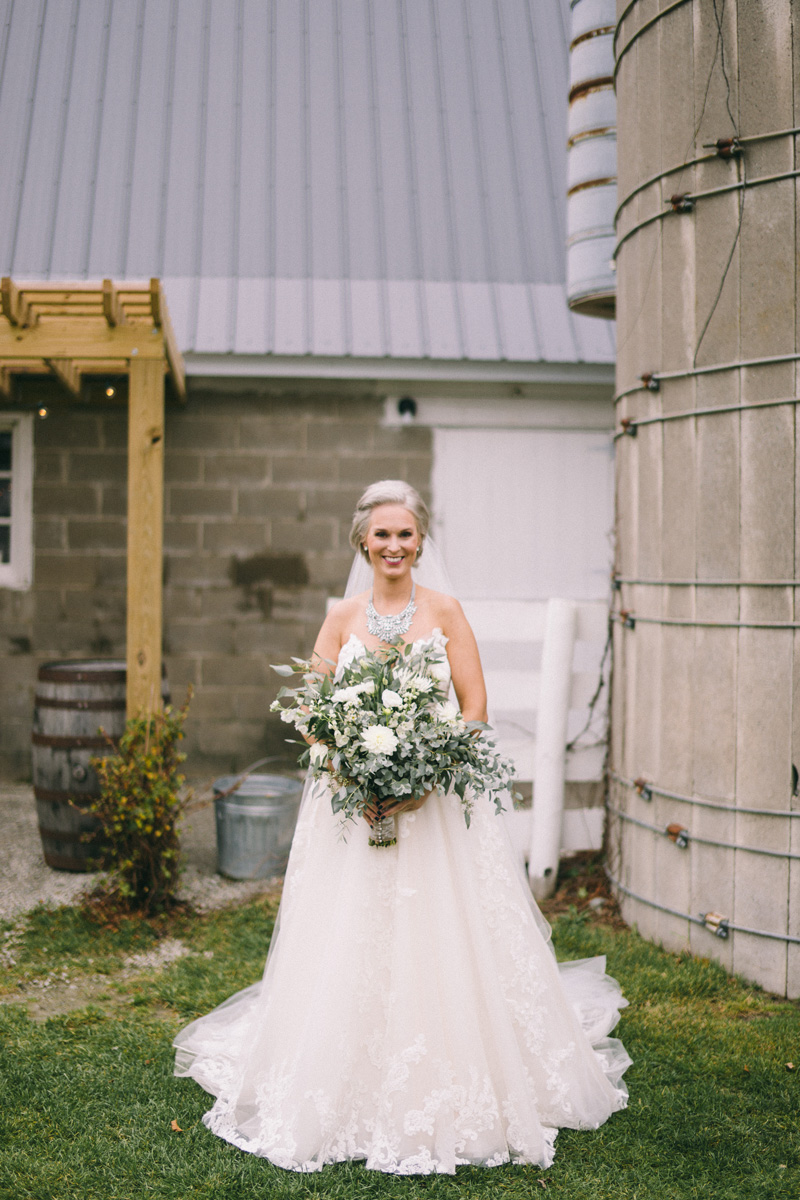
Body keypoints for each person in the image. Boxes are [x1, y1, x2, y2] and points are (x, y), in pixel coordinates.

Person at [174, 479, 631, 1175]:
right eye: (381, 534)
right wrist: (350, 772)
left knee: (439, 935)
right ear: (362, 540)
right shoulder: (341, 617)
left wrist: (425, 780)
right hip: (352, 814)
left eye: (406, 534)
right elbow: (314, 712)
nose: (394, 546)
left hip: (433, 813)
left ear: (422, 542)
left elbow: (475, 708)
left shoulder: (446, 611)